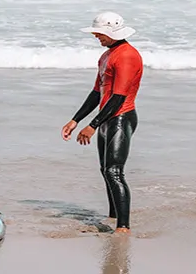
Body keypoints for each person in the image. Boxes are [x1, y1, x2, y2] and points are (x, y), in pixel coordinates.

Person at [61, 12, 143, 234]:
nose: (96, 36)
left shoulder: (127, 55)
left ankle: (123, 227)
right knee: (106, 170)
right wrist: (75, 120)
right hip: (107, 118)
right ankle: (113, 215)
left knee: (114, 171)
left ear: (112, 32)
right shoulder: (107, 56)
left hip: (121, 117)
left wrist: (92, 125)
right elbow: (97, 92)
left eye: (99, 33)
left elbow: (118, 97)